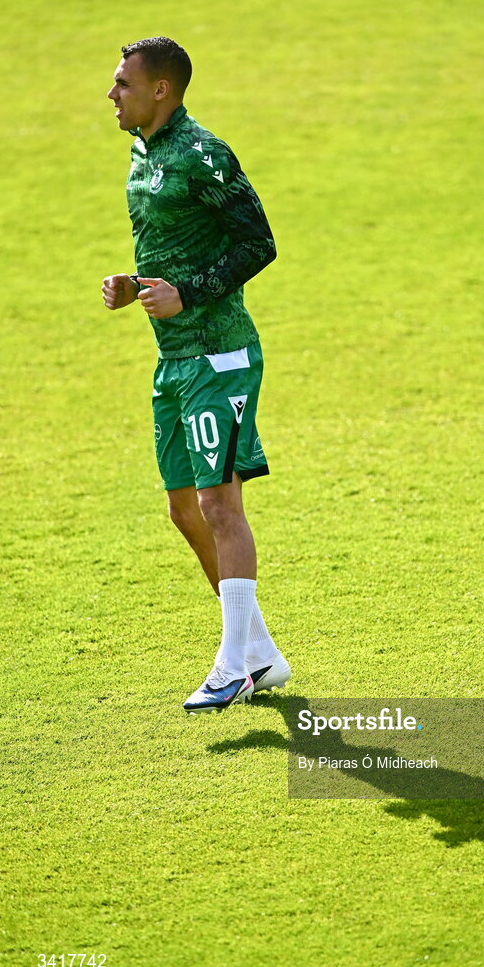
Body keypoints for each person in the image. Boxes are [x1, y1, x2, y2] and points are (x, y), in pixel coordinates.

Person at [102, 37, 290, 713]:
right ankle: (260, 653)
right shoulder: (142, 153)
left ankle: (233, 665)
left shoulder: (201, 154)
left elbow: (256, 243)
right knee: (184, 509)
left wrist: (187, 291)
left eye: (123, 83)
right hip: (174, 359)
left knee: (220, 504)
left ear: (161, 90)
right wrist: (137, 288)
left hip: (219, 354)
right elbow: (172, 251)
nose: (111, 94)